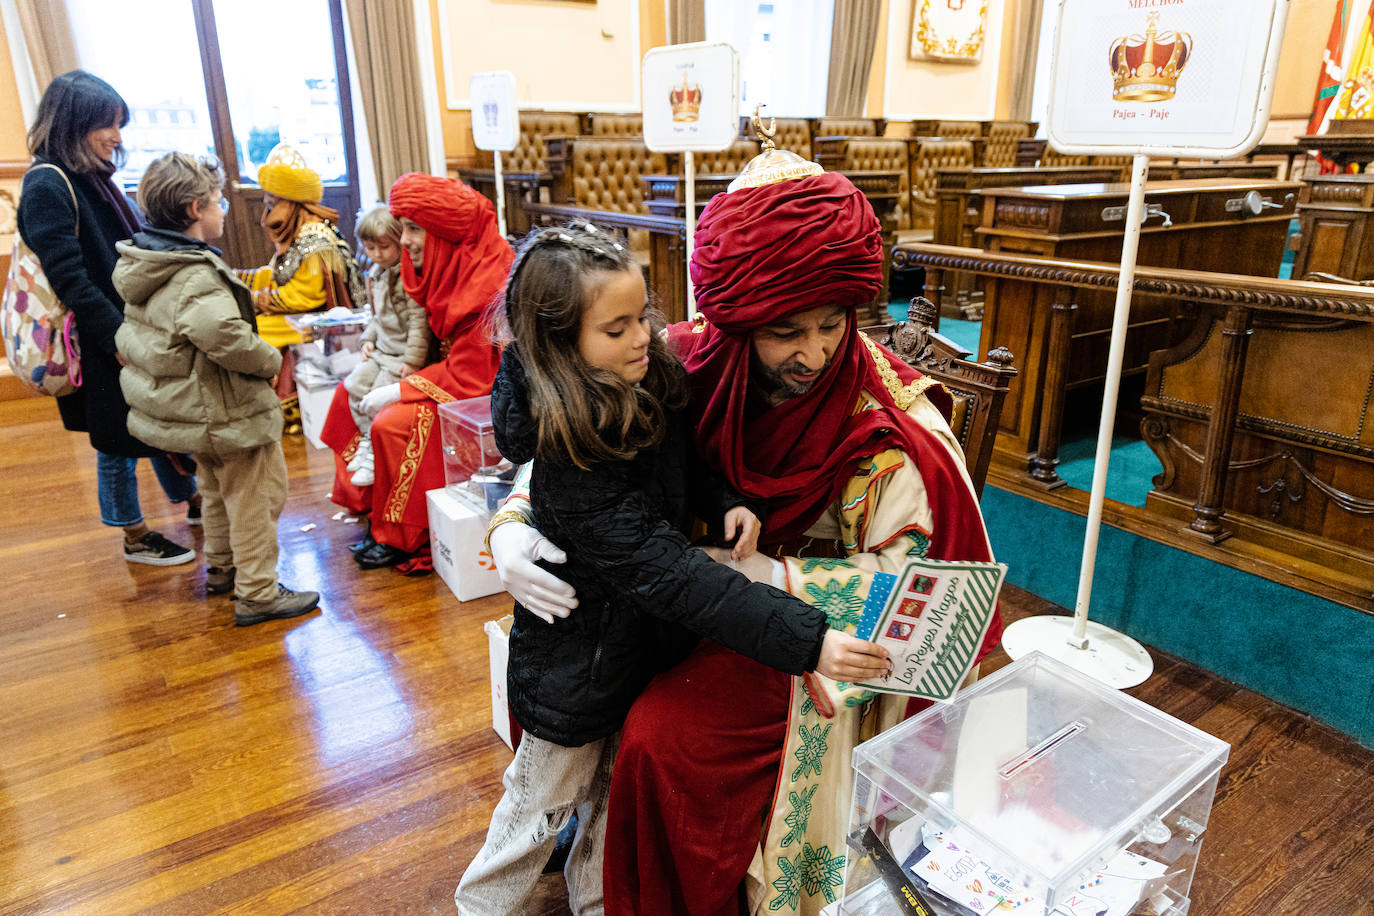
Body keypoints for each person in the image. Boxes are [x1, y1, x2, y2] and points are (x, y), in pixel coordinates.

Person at [489, 159, 1002, 915]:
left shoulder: (894, 431)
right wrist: (510, 525)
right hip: (669, 604)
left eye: (833, 325)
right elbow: (578, 442)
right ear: (737, 323)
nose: (815, 355)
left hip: (810, 630)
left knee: (663, 738)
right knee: (603, 727)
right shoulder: (683, 360)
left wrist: (772, 576)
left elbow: (920, 597)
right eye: (786, 332)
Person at [454, 224, 889, 916]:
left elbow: (680, 457)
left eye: (643, 317)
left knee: (606, 806)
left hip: (632, 649)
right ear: (560, 343)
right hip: (578, 670)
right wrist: (807, 639)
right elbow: (674, 574)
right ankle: (480, 907)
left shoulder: (642, 375)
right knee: (535, 812)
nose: (642, 337)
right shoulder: (573, 461)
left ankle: (598, 905)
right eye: (617, 328)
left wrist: (724, 501)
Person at [111, 152, 320, 625]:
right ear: (194, 209)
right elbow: (224, 335)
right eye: (217, 200)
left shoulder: (148, 260)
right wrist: (269, 361)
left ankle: (223, 569)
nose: (223, 209)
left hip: (195, 409)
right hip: (226, 408)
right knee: (255, 497)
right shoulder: (194, 274)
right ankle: (259, 593)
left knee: (216, 489)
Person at [16, 69, 198, 566]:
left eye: (119, 124)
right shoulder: (47, 183)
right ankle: (133, 533)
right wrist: (116, 337)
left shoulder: (88, 177)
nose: (117, 137)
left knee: (154, 416)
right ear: (74, 124)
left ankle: (190, 496)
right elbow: (70, 278)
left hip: (119, 326)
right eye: (107, 125)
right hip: (100, 336)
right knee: (116, 436)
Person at [320, 173, 510, 571]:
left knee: (393, 425)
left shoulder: (486, 278)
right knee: (345, 395)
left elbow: (475, 374)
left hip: (481, 393)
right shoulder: (439, 262)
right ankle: (372, 507)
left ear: (442, 231)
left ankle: (404, 533)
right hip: (441, 369)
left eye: (412, 228)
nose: (403, 240)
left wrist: (401, 389)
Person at [236, 143, 364, 431]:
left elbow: (306, 296)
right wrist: (243, 280)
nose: (266, 209)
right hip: (299, 315)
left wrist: (255, 299)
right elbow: (280, 274)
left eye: (273, 202)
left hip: (317, 321)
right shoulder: (298, 231)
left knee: (254, 330)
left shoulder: (314, 240)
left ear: (291, 203)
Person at [340, 204, 430, 488]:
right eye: (370, 248)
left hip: (400, 356)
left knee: (375, 397)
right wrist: (368, 339)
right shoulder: (375, 273)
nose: (377, 254)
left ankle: (372, 451)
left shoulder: (407, 276)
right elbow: (376, 315)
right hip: (381, 350)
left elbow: (419, 321)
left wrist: (413, 360)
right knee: (353, 386)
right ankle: (368, 441)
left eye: (384, 247)